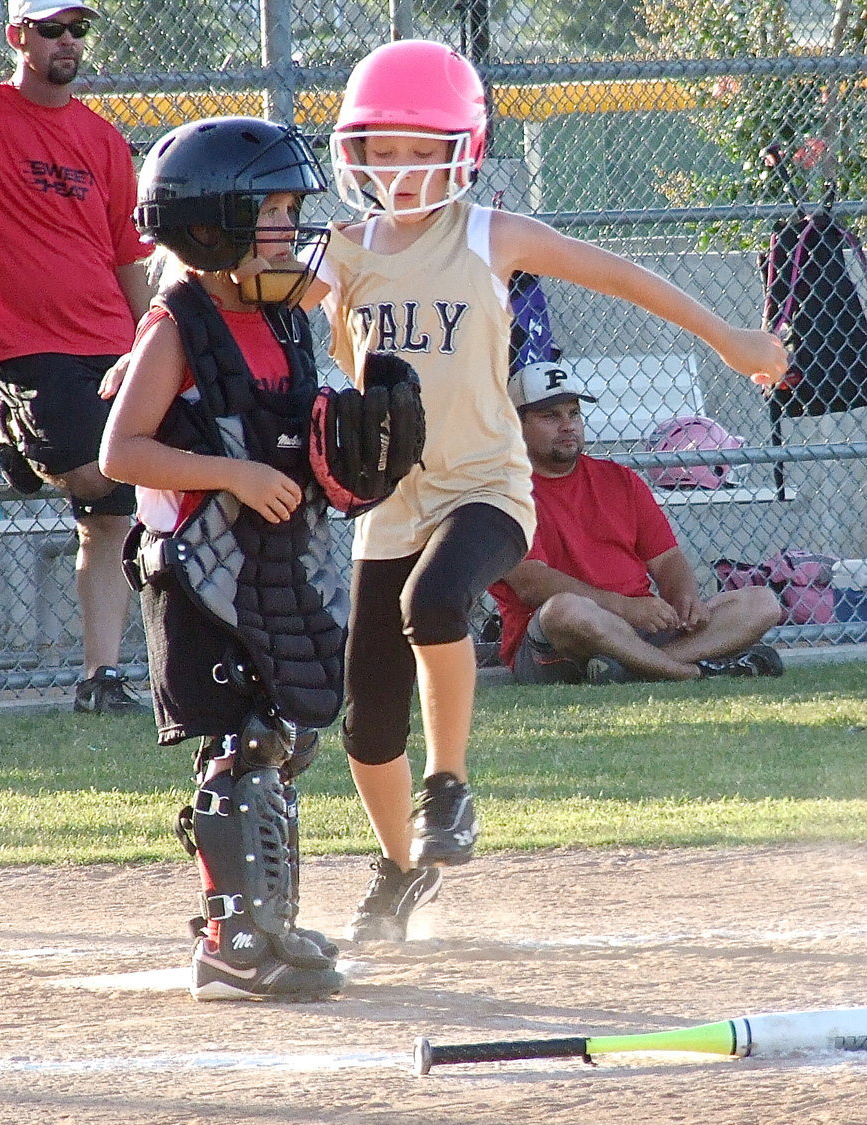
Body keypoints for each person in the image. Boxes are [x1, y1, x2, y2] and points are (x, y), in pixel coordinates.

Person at [302, 38, 788, 943]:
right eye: (380, 149)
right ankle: (399, 872)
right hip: (391, 502)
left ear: (464, 149)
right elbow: (255, 307)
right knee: (366, 722)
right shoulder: (342, 251)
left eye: (421, 148)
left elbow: (620, 275)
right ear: (353, 154)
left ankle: (448, 790)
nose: (399, 170)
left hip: (487, 484)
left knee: (438, 600)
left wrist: (732, 340)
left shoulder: (490, 234)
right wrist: (160, 333)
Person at [99, 116, 351, 1002]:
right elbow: (122, 452)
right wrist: (233, 473)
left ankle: (269, 922)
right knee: (238, 743)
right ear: (213, 227)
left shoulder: (281, 315)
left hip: (272, 556)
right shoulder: (176, 326)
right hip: (195, 567)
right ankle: (228, 937)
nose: (292, 227)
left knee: (283, 736)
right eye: (276, 210)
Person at [0, 1, 153, 714]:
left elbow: (127, 253)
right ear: (18, 38)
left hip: (108, 338)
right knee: (90, 476)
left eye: (79, 30)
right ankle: (20, 432)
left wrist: (150, 338)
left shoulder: (102, 140)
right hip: (30, 344)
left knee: (110, 515)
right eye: (52, 30)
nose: (68, 42)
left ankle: (100, 679)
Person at [488, 361, 785, 685]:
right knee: (565, 610)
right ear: (515, 424)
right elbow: (532, 583)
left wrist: (684, 598)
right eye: (550, 416)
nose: (567, 425)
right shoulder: (502, 492)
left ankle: (631, 668)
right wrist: (625, 608)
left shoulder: (619, 479)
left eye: (574, 413)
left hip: (641, 627)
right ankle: (693, 671)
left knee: (761, 602)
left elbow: (667, 558)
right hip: (562, 640)